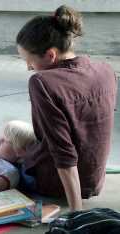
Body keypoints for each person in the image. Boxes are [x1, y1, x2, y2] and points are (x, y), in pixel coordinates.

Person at [15, 5, 118, 211]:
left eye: (30, 61)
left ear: (51, 55)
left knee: (7, 146)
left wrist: (76, 212)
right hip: (94, 180)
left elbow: (63, 152)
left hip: (54, 184)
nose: (28, 68)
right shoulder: (105, 70)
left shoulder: (43, 82)